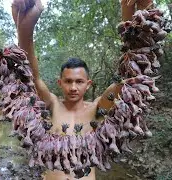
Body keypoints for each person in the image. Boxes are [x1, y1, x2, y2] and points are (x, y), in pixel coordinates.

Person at [11, 0, 153, 179]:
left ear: (89, 84)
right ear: (59, 83)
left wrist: (133, 11)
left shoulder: (97, 108)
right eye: (68, 81)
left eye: (79, 81)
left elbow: (129, 80)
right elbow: (32, 77)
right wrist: (25, 29)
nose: (73, 87)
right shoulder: (52, 105)